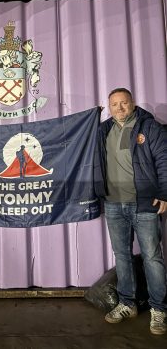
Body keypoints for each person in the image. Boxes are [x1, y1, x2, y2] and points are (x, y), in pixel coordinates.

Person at [95, 87, 167, 335]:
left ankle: (159, 309)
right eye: (114, 104)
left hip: (145, 203)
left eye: (124, 103)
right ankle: (127, 303)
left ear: (132, 103)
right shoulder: (103, 130)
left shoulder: (149, 127)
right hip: (113, 204)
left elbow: (163, 159)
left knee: (152, 257)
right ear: (109, 106)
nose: (120, 108)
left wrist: (164, 193)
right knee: (122, 256)